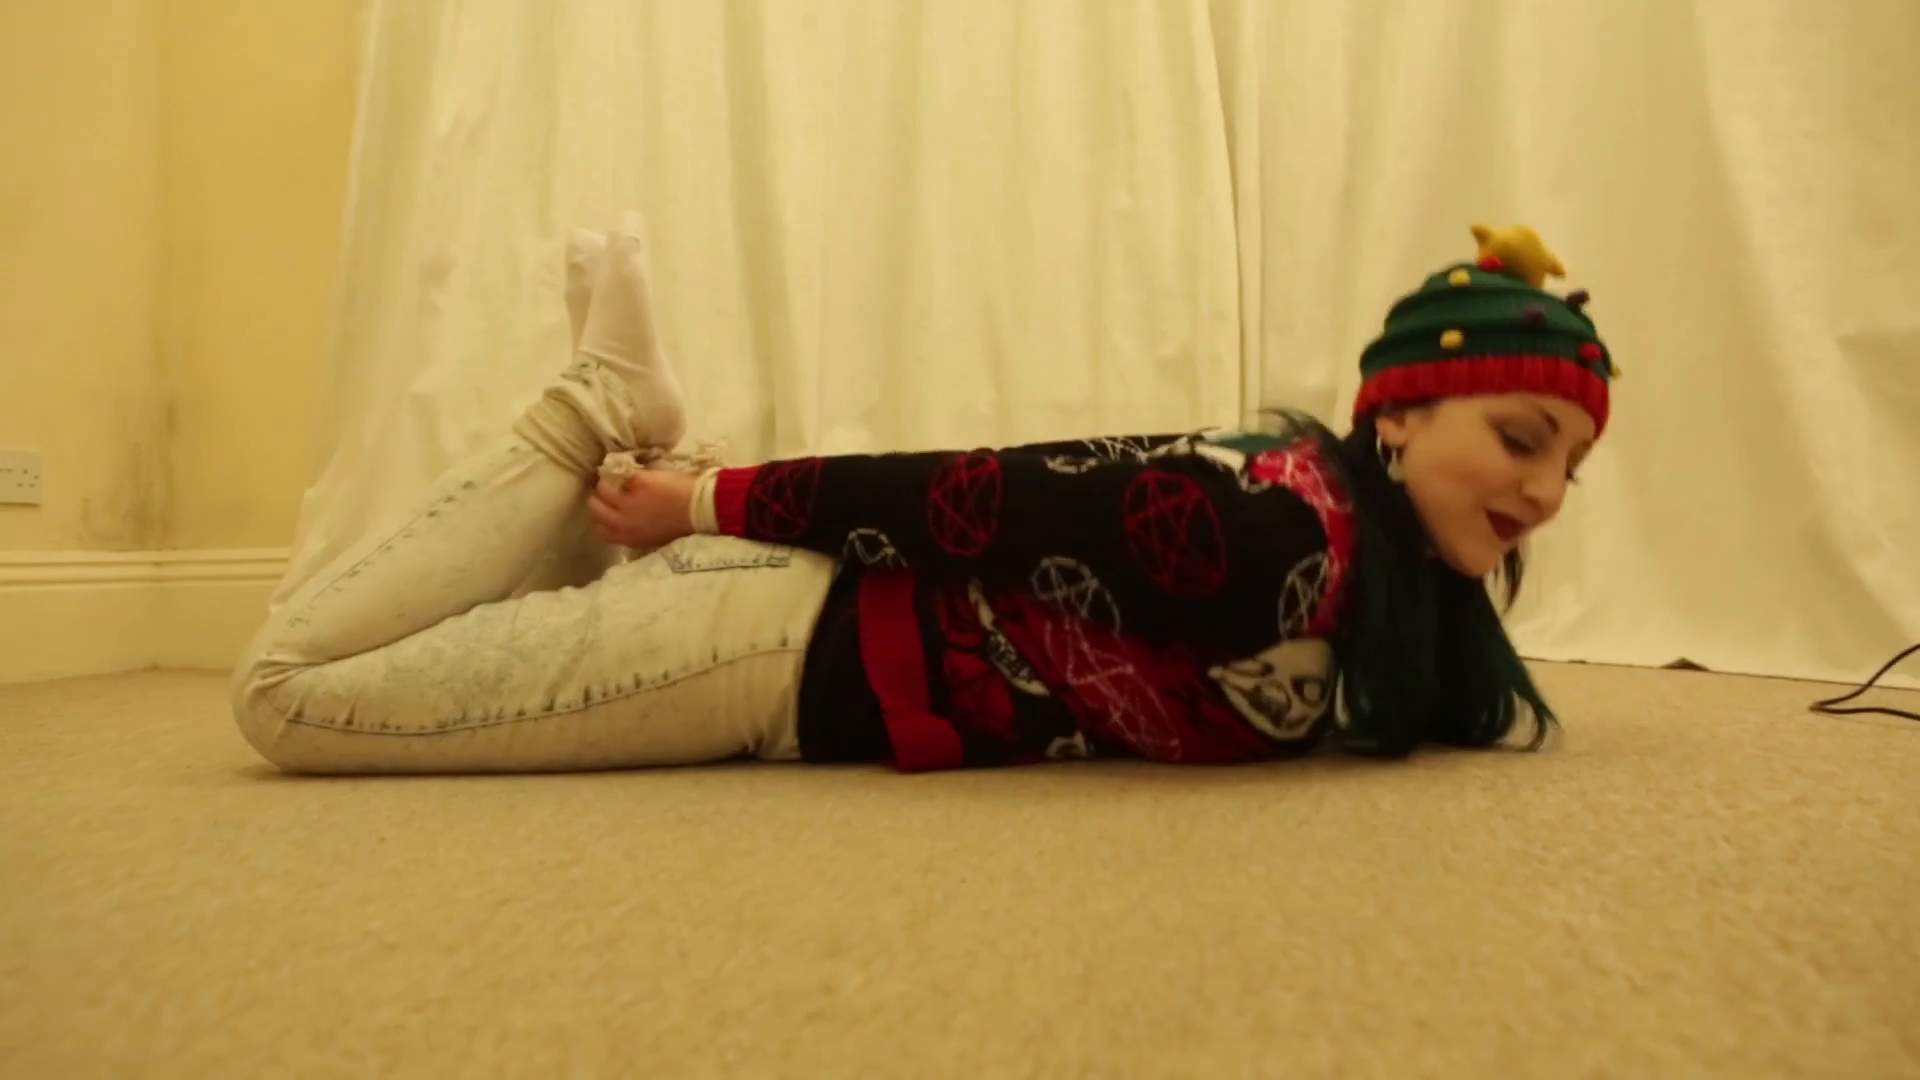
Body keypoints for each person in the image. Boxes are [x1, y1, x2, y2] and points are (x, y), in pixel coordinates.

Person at [231, 219, 1613, 775]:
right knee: (284, 698)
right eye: (1521, 438)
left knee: (444, 650)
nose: (1547, 491)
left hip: (789, 640)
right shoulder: (1271, 528)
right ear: (1397, 415)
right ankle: (596, 410)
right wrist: (707, 502)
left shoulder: (1367, 561)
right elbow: (973, 496)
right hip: (766, 647)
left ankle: (632, 435)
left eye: (1569, 463)